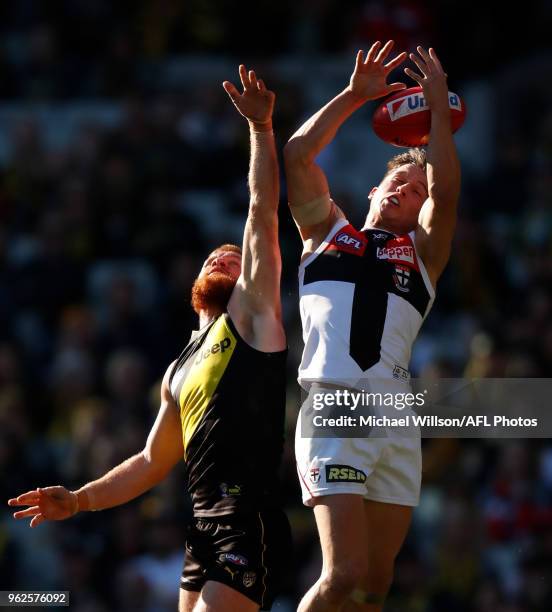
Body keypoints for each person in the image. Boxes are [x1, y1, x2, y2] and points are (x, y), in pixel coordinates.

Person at [8, 65, 291, 612]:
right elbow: (150, 461)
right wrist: (80, 499)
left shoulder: (254, 320)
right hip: (202, 528)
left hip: (245, 520)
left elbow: (260, 212)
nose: (222, 255)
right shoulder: (179, 367)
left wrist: (260, 130)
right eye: (213, 255)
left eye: (232, 257)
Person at [284, 41, 461, 611]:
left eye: (416, 192)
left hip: (395, 414)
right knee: (343, 574)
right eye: (397, 183)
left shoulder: (422, 255)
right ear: (371, 189)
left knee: (374, 584)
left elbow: (446, 190)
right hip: (336, 403)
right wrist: (353, 97)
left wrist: (437, 116)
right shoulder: (326, 234)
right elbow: (296, 157)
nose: (406, 191)